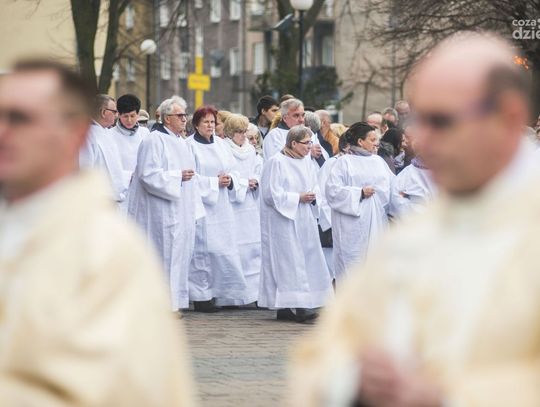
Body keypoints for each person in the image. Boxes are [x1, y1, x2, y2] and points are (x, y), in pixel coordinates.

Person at [291, 31, 540, 407]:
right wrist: (353, 381)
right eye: (419, 119)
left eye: (441, 120)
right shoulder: (410, 237)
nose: (422, 138)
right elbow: (326, 349)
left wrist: (448, 397)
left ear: (508, 117)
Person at [0, 59, 195, 406]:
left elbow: (127, 384)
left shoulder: (108, 253)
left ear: (73, 134)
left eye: (20, 119)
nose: (3, 131)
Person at [128, 98, 204, 314]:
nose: (184, 119)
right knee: (162, 256)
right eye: (180, 116)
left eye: (185, 115)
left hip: (181, 210)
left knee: (179, 257)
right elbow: (147, 175)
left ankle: (174, 302)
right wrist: (177, 176)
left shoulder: (182, 142)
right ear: (167, 118)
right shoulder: (154, 140)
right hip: (160, 211)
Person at [259, 125, 333, 323]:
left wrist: (313, 196)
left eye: (311, 142)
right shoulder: (276, 162)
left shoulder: (306, 161)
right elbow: (270, 194)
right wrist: (297, 197)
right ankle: (297, 306)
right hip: (284, 220)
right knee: (290, 261)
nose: (310, 147)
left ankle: (300, 303)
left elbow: (315, 185)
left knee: (307, 258)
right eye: (306, 143)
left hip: (305, 217)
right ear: (293, 143)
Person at [186, 105, 248, 312]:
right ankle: (201, 296)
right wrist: (214, 182)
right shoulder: (189, 146)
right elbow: (190, 176)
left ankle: (221, 293)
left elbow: (234, 170)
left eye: (213, 122)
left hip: (222, 206)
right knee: (203, 251)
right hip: (201, 205)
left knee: (223, 249)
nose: (210, 125)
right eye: (206, 122)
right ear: (196, 124)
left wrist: (230, 180)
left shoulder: (221, 145)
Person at [325, 122, 394, 280]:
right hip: (351, 224)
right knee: (353, 263)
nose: (376, 143)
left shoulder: (379, 161)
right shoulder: (344, 162)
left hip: (376, 220)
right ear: (360, 141)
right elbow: (332, 191)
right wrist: (359, 193)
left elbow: (392, 185)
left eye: (377, 139)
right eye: (372, 139)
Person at [223, 114, 262, 306]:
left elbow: (258, 170)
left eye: (244, 131)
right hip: (233, 204)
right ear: (231, 133)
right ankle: (232, 296)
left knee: (253, 248)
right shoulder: (224, 149)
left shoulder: (251, 150)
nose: (243, 135)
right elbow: (227, 174)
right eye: (239, 132)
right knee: (235, 248)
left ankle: (253, 294)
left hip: (250, 205)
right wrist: (242, 183)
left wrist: (255, 181)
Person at [79, 94, 126, 206]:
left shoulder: (106, 133)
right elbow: (84, 170)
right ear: (103, 112)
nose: (117, 115)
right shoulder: (87, 135)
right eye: (114, 112)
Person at [317, 135, 351, 280]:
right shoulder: (332, 164)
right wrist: (329, 225)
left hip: (350, 224)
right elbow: (322, 195)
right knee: (332, 268)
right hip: (332, 223)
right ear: (345, 147)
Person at [110, 93, 150, 212]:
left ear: (138, 114)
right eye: (125, 116)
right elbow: (108, 167)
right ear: (118, 115)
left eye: (133, 116)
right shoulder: (110, 135)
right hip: (121, 192)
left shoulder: (145, 133)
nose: (129, 120)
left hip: (142, 189)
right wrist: (128, 176)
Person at [263, 98, 325, 165]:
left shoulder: (309, 133)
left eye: (303, 115)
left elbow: (324, 157)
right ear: (285, 118)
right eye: (296, 116)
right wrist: (309, 153)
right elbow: (277, 162)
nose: (301, 120)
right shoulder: (274, 136)